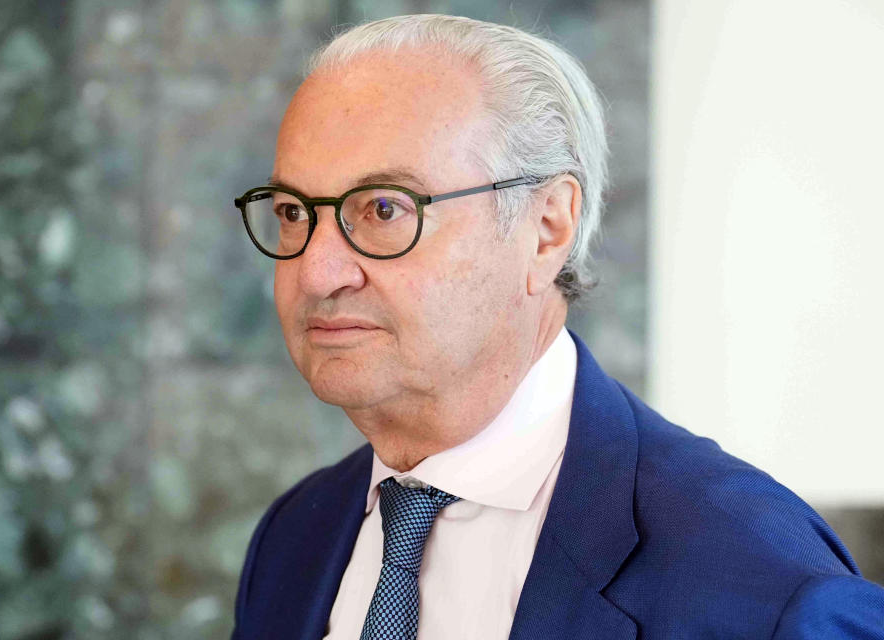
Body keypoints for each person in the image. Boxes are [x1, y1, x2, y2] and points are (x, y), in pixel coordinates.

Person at [230, 14, 884, 640]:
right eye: (292, 211)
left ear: (548, 228)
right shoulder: (295, 538)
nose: (316, 272)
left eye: (382, 208)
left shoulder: (763, 585)